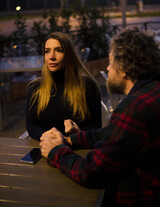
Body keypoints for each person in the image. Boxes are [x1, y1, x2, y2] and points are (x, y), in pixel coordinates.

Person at [40, 27, 160, 206]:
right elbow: (113, 134)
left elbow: (90, 172)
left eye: (111, 62)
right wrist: (72, 140)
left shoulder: (134, 108)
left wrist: (55, 151)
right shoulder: (152, 92)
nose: (108, 68)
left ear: (125, 68)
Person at [26, 32, 102, 140]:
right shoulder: (35, 88)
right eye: (47, 51)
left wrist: (78, 134)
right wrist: (47, 137)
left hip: (78, 148)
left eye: (58, 50)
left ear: (69, 55)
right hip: (45, 147)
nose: (51, 57)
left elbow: (96, 125)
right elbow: (31, 125)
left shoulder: (88, 86)